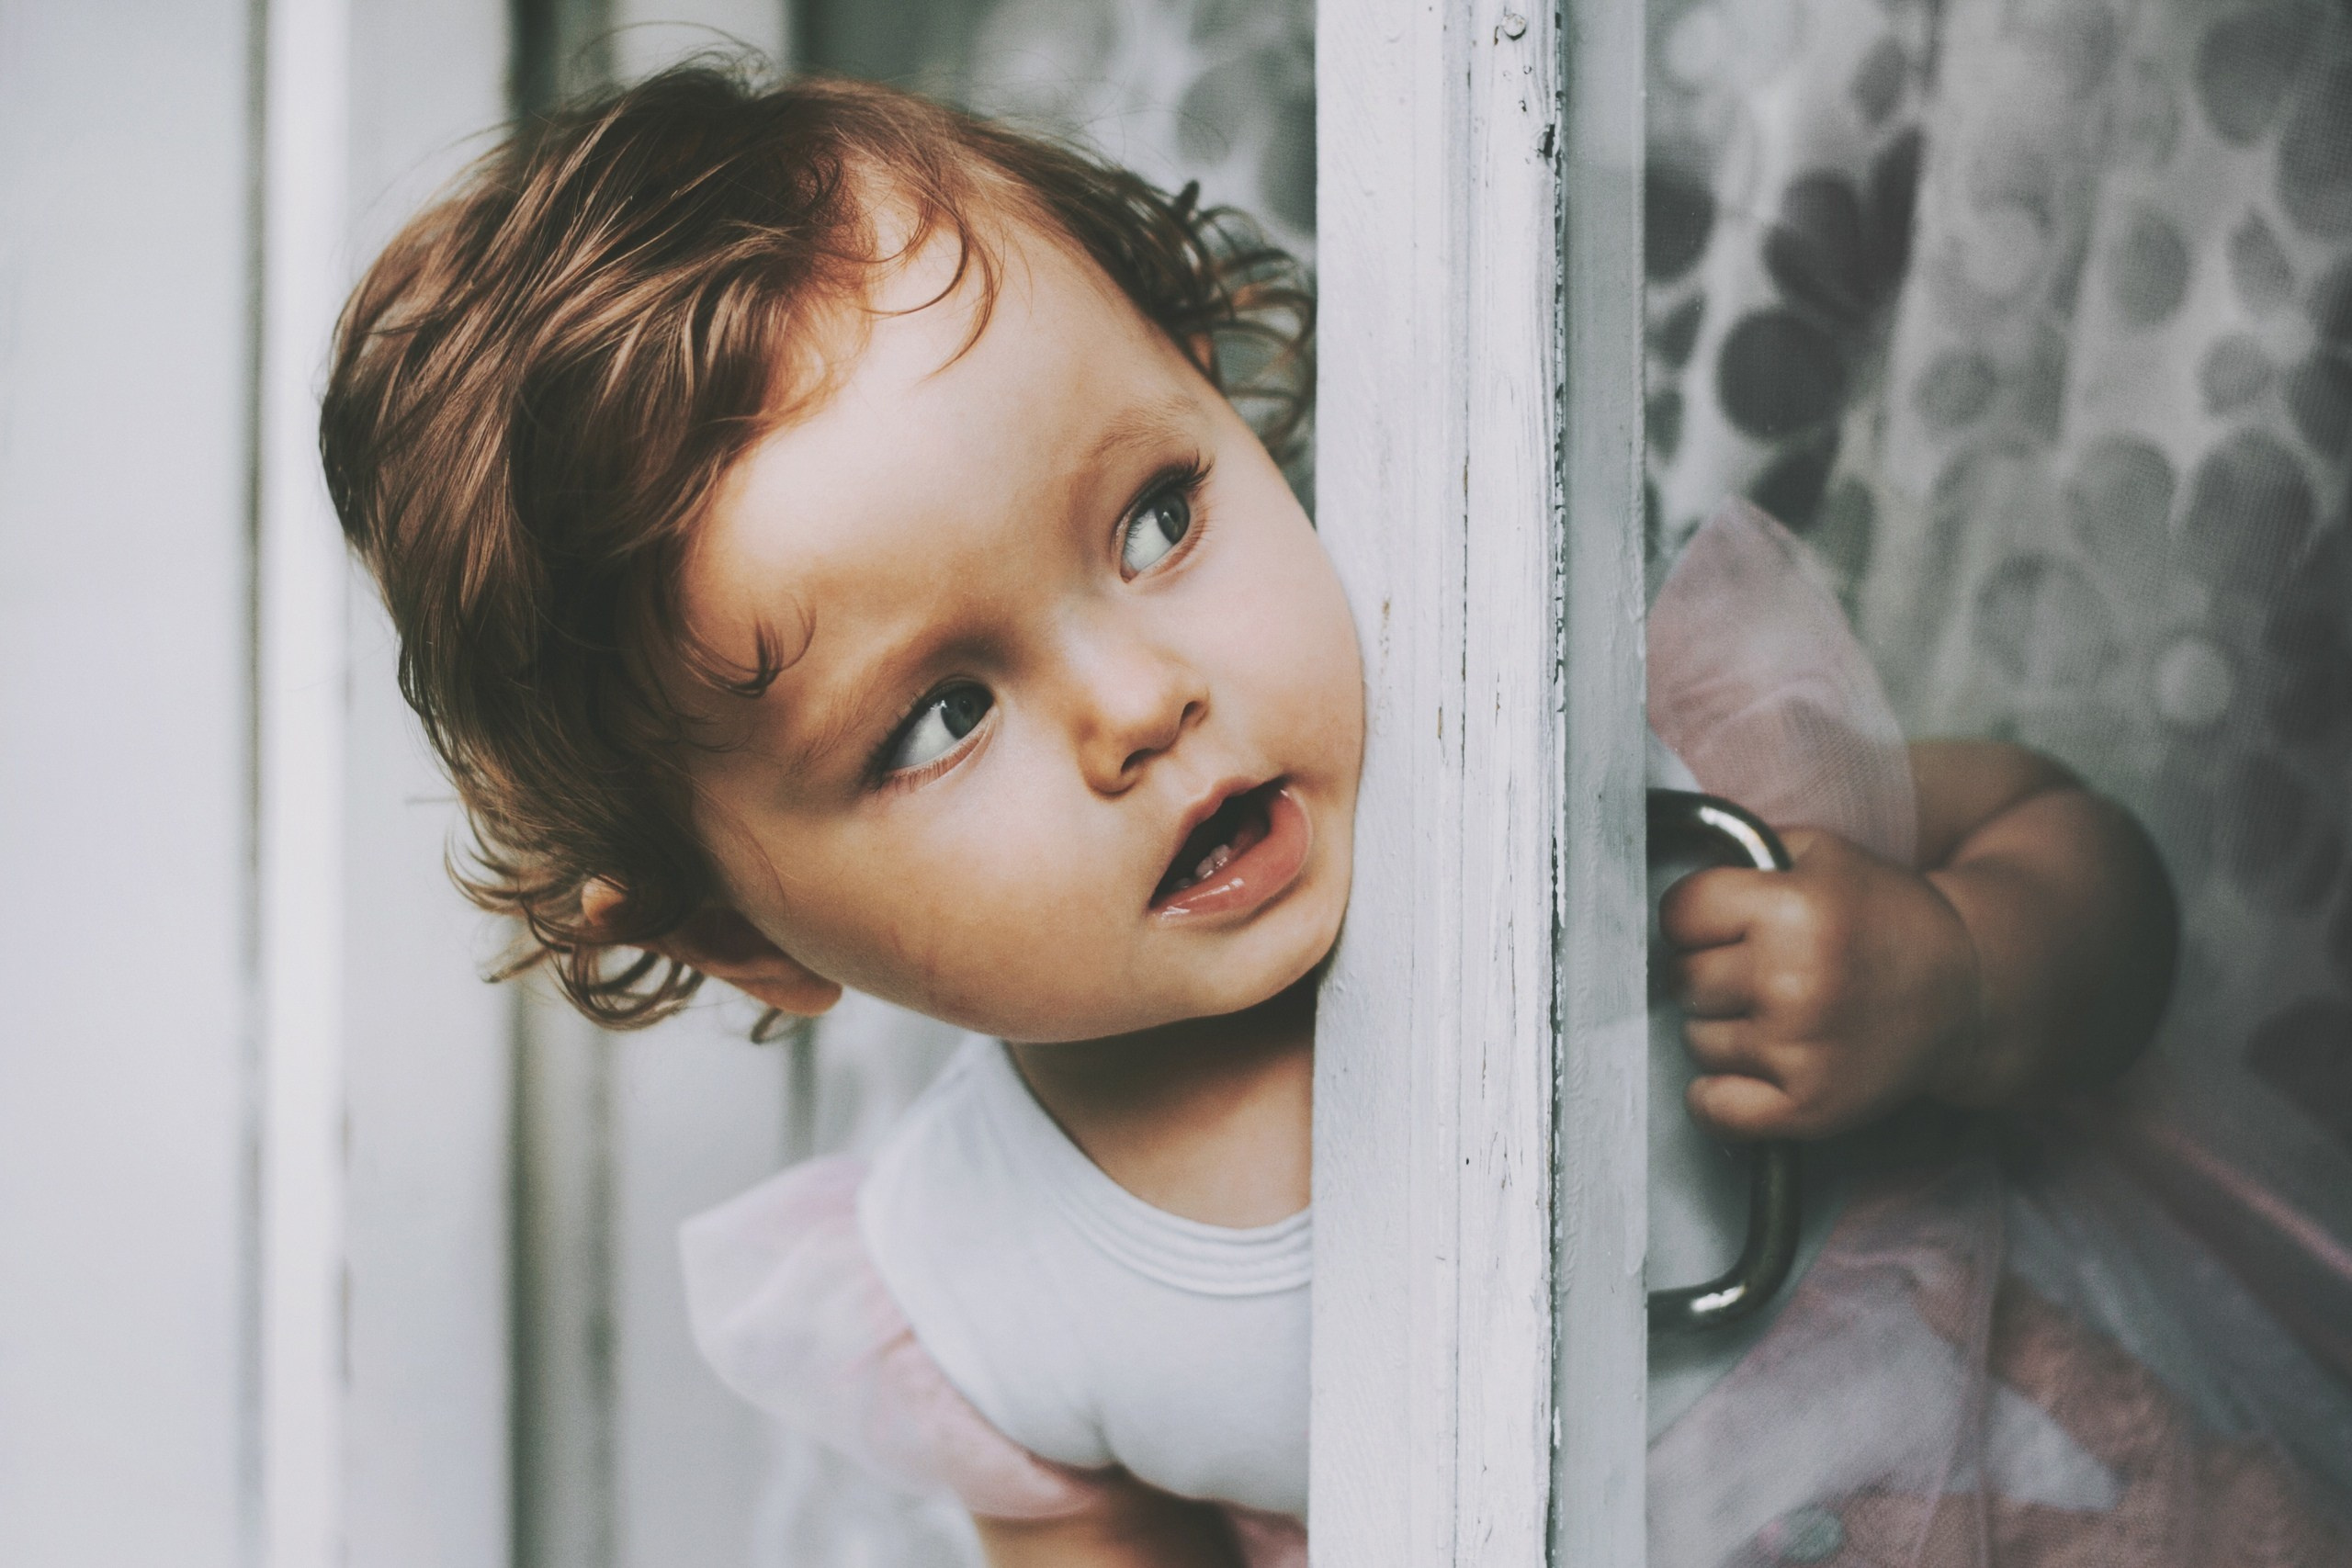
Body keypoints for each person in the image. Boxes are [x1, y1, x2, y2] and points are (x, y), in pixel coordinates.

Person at [322, 63, 2282, 1568]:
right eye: (936, 713)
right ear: (746, 935)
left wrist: (1952, 970)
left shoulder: (1580, 781)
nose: (1137, 700)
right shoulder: (976, 1278)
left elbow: (2081, 859)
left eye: (1158, 516)